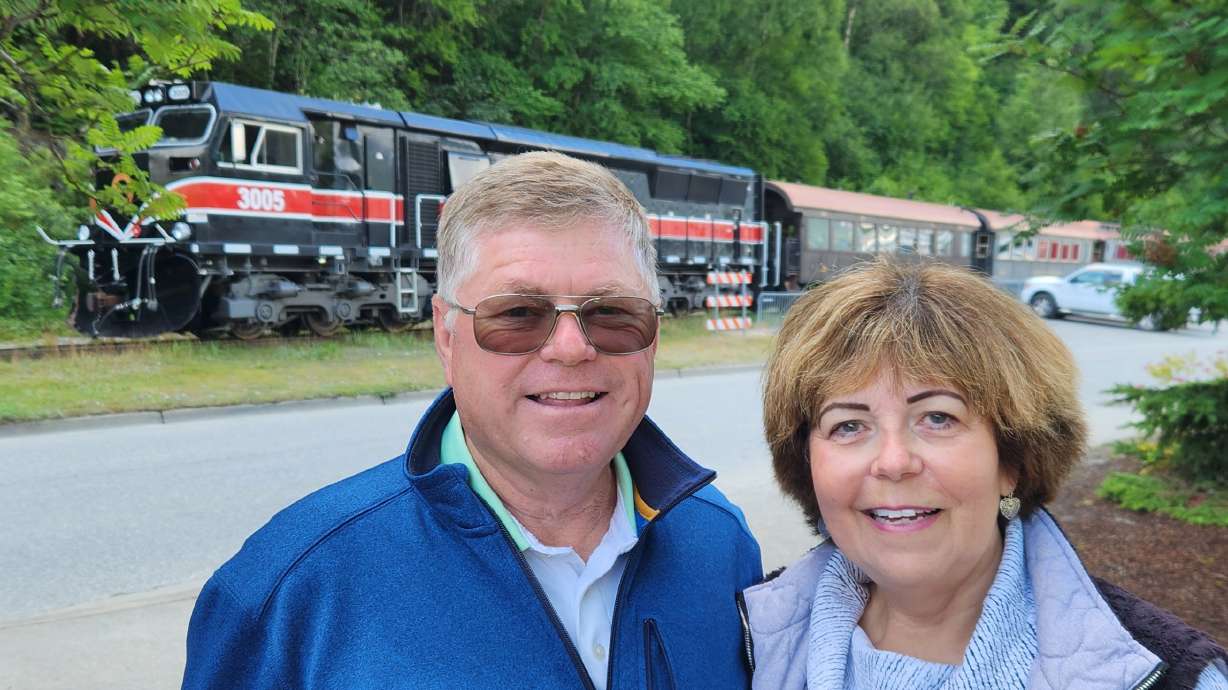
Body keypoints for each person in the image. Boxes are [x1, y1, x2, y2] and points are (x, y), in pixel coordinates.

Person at [181, 151, 762, 689]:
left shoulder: (721, 544)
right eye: (516, 314)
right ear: (445, 333)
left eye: (611, 313)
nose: (569, 348)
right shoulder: (292, 590)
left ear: (654, 332)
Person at [740, 259, 1228, 689]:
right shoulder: (743, 641)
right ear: (807, 463)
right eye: (848, 425)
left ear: (1012, 460)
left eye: (938, 418)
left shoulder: (1173, 677)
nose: (892, 461)